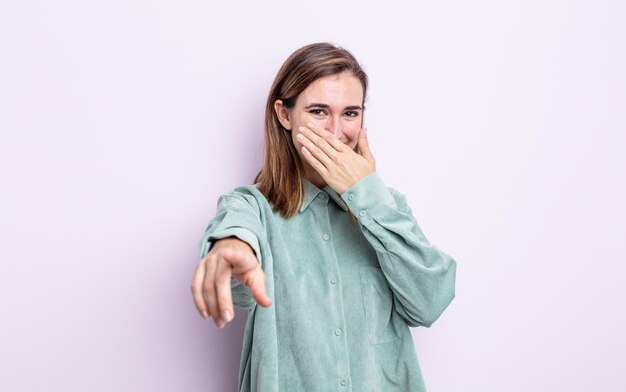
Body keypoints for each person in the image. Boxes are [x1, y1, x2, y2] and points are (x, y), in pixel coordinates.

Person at [191, 42, 457, 392]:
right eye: (319, 112)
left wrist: (367, 196)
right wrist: (231, 249)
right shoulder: (251, 206)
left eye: (350, 113)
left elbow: (430, 302)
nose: (335, 132)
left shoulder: (387, 207)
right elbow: (235, 239)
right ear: (285, 116)